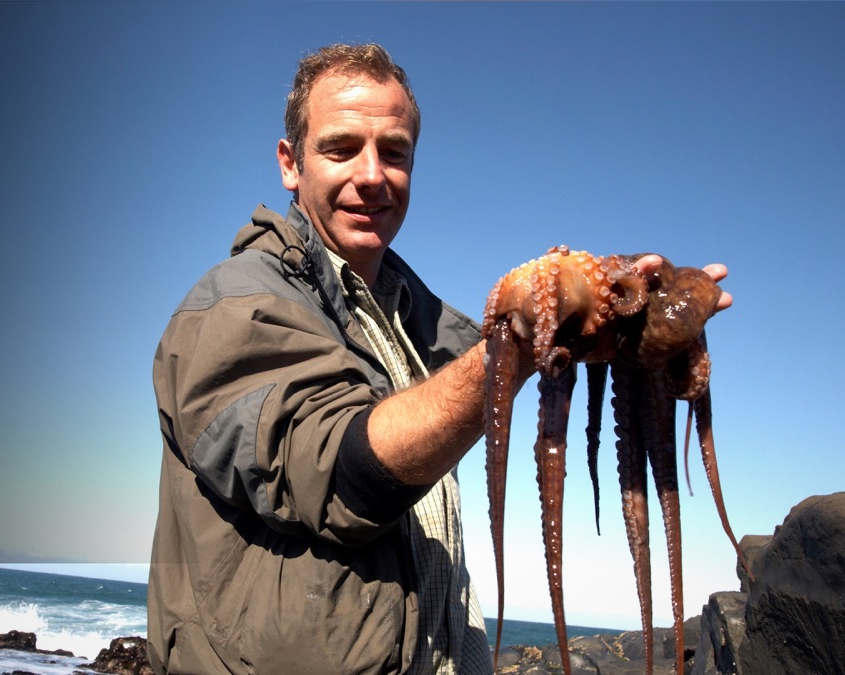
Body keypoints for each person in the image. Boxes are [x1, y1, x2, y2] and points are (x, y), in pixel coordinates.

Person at [146, 43, 731, 675]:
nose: (373, 174)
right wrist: (514, 346)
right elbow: (331, 472)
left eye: (394, 151)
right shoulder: (233, 307)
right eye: (341, 148)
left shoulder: (423, 325)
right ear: (291, 164)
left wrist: (627, 325)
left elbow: (564, 342)